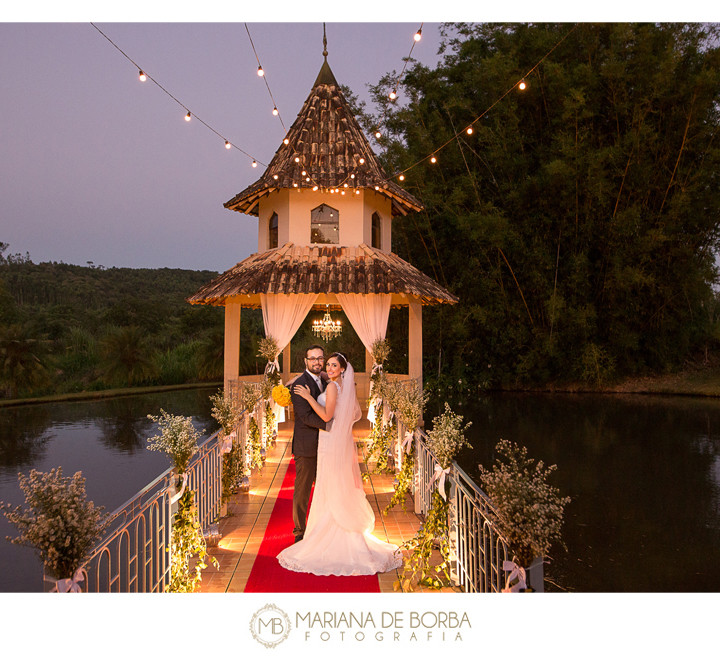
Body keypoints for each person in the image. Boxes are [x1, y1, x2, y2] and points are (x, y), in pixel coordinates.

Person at [277, 352, 402, 576]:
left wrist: (308, 397)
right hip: (330, 441)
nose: (328, 368)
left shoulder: (333, 387)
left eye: (333, 365)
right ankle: (323, 524)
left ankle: (328, 529)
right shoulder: (337, 383)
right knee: (329, 482)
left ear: (342, 369)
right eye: (327, 364)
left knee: (328, 482)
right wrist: (296, 380)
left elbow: (326, 417)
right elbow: (348, 408)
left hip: (328, 439)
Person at [288, 344, 328, 543]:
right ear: (305, 361)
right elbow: (305, 416)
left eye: (320, 358)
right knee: (303, 489)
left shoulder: (325, 380)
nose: (317, 362)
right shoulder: (299, 385)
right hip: (307, 446)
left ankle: (322, 524)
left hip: (325, 446)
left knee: (324, 486)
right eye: (312, 358)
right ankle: (300, 531)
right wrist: (330, 424)